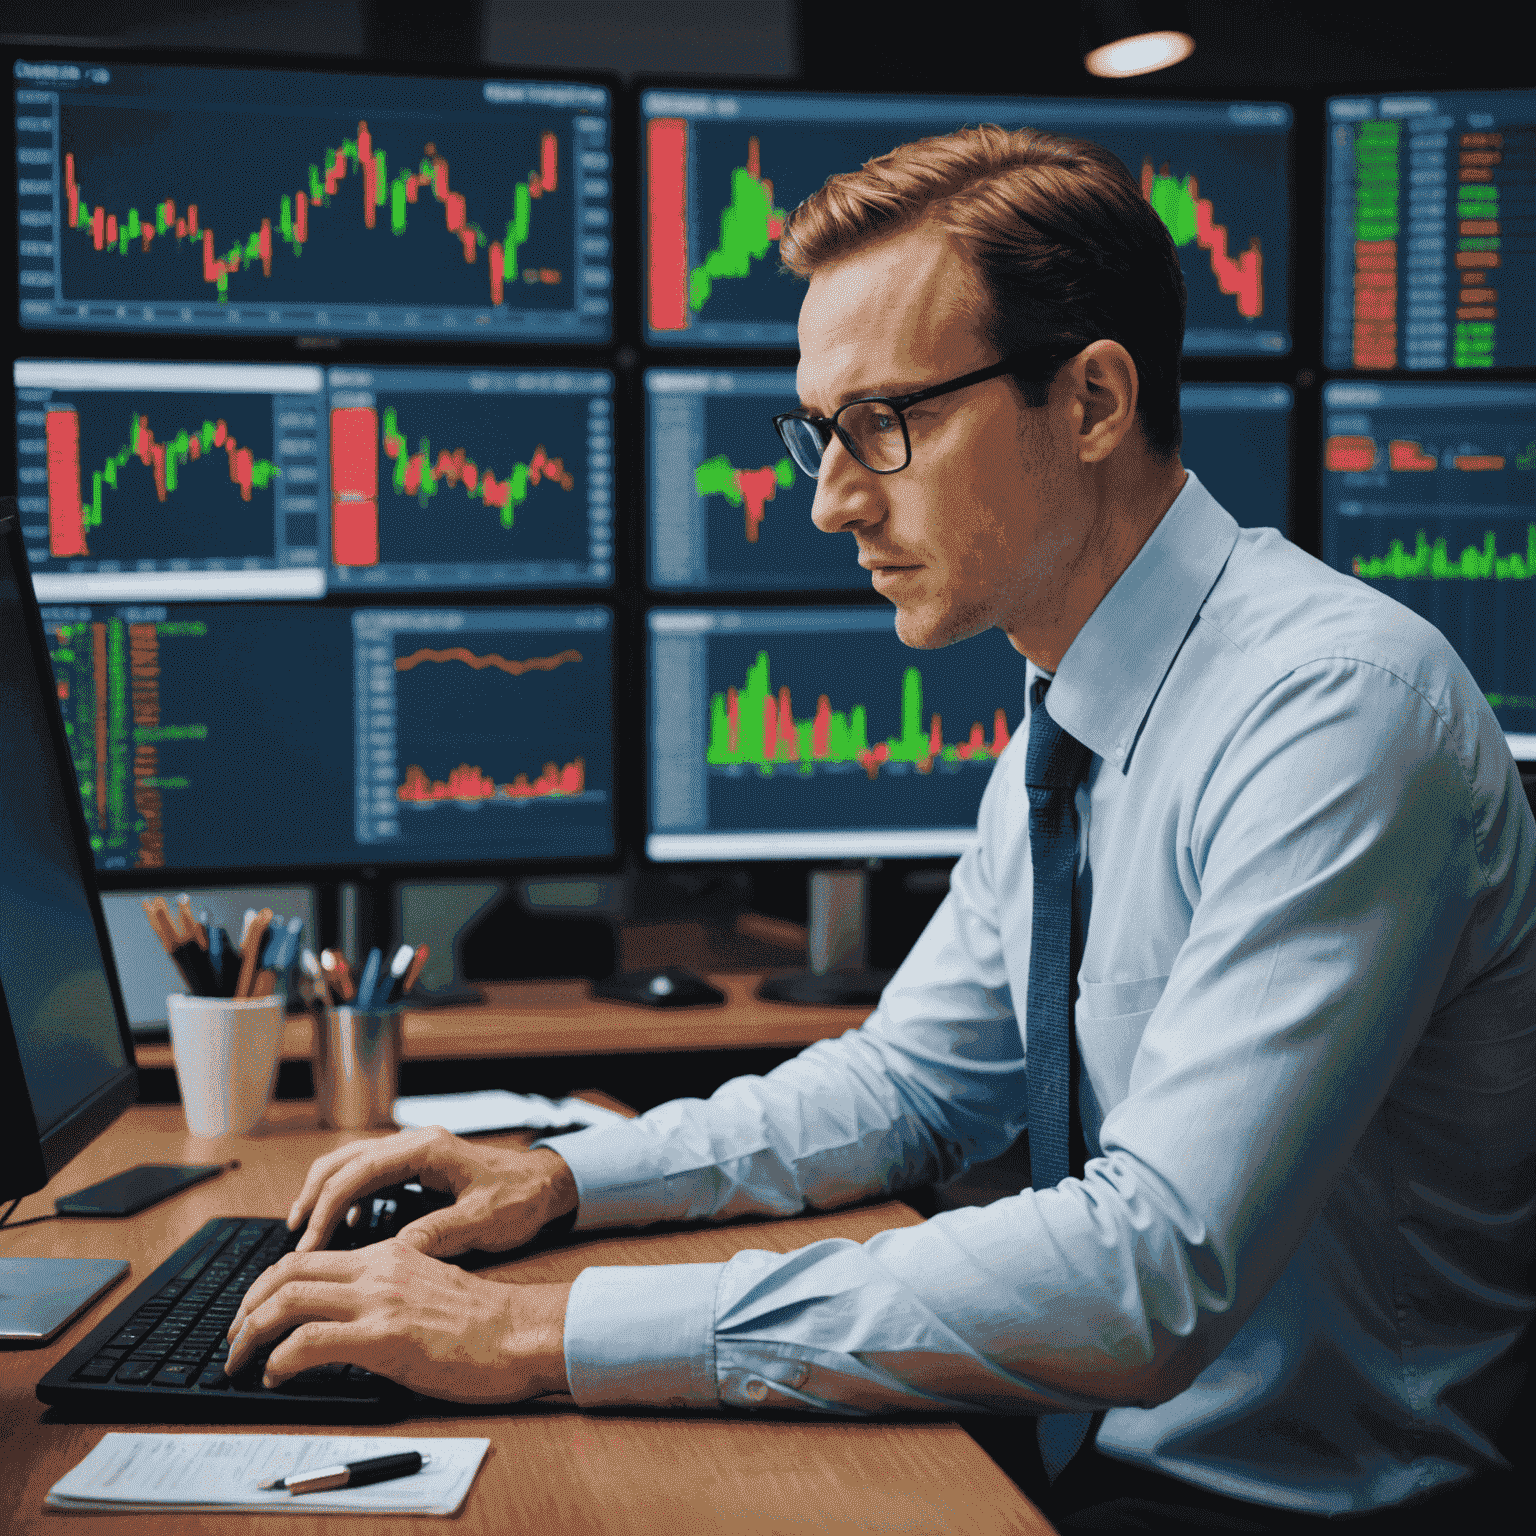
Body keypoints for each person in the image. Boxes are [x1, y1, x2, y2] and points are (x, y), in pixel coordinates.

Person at [226, 126, 1536, 1532]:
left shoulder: (1336, 715)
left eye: (884, 425)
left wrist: (540, 1336)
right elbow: (912, 1087)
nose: (831, 498)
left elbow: (1149, 1275)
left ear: (1092, 399)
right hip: (1098, 1462)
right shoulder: (1072, 700)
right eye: (820, 432)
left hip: (1309, 1505)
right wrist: (554, 1183)